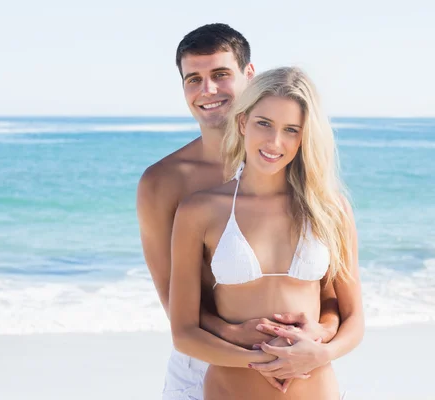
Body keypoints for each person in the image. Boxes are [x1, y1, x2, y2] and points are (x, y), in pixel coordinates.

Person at [137, 24, 342, 399]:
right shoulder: (163, 182)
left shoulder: (294, 176)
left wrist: (317, 335)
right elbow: (174, 300)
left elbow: (329, 293)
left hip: (297, 365)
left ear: (250, 75)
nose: (207, 91)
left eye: (220, 75)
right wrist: (240, 339)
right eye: (193, 79)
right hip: (203, 362)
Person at [169, 66, 364, 399]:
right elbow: (184, 332)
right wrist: (255, 360)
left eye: (291, 130)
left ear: (306, 137)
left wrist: (322, 352)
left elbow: (353, 317)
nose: (275, 142)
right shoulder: (198, 211)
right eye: (264, 124)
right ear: (243, 122)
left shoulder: (331, 210)